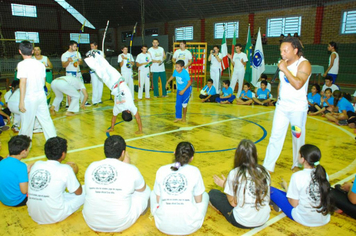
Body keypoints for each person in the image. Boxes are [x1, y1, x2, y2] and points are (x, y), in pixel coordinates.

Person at [263, 37, 311, 172]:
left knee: (297, 137)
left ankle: (298, 163)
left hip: (297, 109)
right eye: (281, 51)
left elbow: (298, 84)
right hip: (282, 107)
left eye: (285, 50)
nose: (282, 54)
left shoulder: (304, 64)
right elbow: (282, 84)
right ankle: (268, 166)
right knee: (275, 136)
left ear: (295, 50)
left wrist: (284, 69)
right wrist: (278, 99)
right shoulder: (284, 64)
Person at [83, 135, 150, 232]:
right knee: (145, 189)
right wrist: (127, 165)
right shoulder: (130, 169)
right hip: (120, 223)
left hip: (91, 221)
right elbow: (141, 189)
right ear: (123, 153)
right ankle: (140, 210)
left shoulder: (92, 166)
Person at [209, 139, 271, 229]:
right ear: (256, 155)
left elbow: (233, 203)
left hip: (242, 221)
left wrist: (226, 185)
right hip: (263, 219)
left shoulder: (235, 173)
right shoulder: (265, 171)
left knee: (213, 194)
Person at [150, 142, 209, 235]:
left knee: (153, 192)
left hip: (162, 225)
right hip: (190, 227)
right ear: (191, 158)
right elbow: (198, 200)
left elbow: (158, 199)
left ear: (174, 153)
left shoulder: (161, 170)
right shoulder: (195, 171)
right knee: (204, 195)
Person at [270, 144, 335, 227]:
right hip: (323, 218)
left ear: (303, 159)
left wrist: (287, 188)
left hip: (304, 218)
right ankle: (279, 204)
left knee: (270, 190)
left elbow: (294, 204)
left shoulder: (298, 176)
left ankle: (278, 205)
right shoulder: (323, 174)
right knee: (286, 194)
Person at [27, 137, 84, 224]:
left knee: (57, 191)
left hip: (33, 214)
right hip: (54, 216)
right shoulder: (66, 169)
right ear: (63, 154)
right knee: (87, 190)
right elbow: (79, 192)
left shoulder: (37, 164)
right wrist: (74, 175)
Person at [84, 50, 143, 135]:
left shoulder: (130, 106)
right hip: (111, 85)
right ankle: (89, 58)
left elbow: (138, 118)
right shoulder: (118, 108)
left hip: (118, 80)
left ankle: (95, 54)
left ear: (129, 112)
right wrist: (112, 128)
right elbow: (114, 118)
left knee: (107, 67)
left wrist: (140, 129)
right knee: (100, 72)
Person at [17, 40, 57, 140]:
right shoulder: (40, 64)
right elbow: (44, 81)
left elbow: (23, 83)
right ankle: (54, 143)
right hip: (41, 96)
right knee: (46, 121)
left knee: (27, 124)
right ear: (32, 52)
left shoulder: (21, 65)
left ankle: (24, 148)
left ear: (20, 51)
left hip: (29, 97)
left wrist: (21, 101)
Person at [0, 135, 31, 207]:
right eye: (28, 148)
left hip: (4, 199)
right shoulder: (21, 166)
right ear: (23, 152)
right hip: (17, 201)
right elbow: (24, 191)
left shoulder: (2, 162)